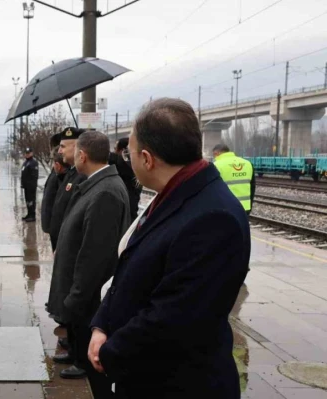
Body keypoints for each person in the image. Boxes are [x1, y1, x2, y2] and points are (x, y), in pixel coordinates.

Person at [88, 98, 251, 399]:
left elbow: (173, 318)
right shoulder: (175, 193)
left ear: (147, 159)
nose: (129, 158)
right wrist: (102, 323)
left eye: (130, 152)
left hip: (177, 386)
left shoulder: (214, 218)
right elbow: (129, 269)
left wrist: (111, 352)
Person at [48, 131, 130, 397]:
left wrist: (74, 300)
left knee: (96, 377)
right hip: (83, 295)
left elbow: (94, 256)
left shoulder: (105, 191)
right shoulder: (96, 183)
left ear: (82, 156)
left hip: (88, 299)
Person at [46, 127, 87, 361]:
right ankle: (72, 343)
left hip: (74, 250)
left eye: (64, 146)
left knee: (75, 295)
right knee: (66, 293)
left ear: (78, 148)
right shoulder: (71, 174)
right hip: (64, 245)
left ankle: (78, 351)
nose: (59, 150)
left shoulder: (82, 177)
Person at [212, 143, 255, 215]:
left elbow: (213, 190)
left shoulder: (216, 165)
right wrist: (249, 206)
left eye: (214, 155)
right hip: (245, 207)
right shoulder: (248, 164)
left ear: (217, 153)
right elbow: (252, 187)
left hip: (226, 208)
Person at [109, 137, 142, 220]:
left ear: (123, 151)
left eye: (115, 148)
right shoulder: (136, 167)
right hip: (131, 213)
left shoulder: (126, 167)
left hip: (126, 216)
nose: (114, 151)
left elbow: (116, 159)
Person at [41, 152, 69, 251]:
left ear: (58, 165)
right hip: (55, 227)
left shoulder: (63, 178)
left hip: (58, 228)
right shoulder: (58, 175)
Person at [20, 147, 39, 222]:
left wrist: (31, 185)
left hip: (31, 186)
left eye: (28, 153)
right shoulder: (25, 162)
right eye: (26, 153)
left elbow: (34, 176)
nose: (27, 154)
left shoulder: (33, 163)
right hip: (26, 187)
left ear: (32, 153)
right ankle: (29, 214)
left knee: (31, 201)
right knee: (27, 201)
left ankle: (32, 215)